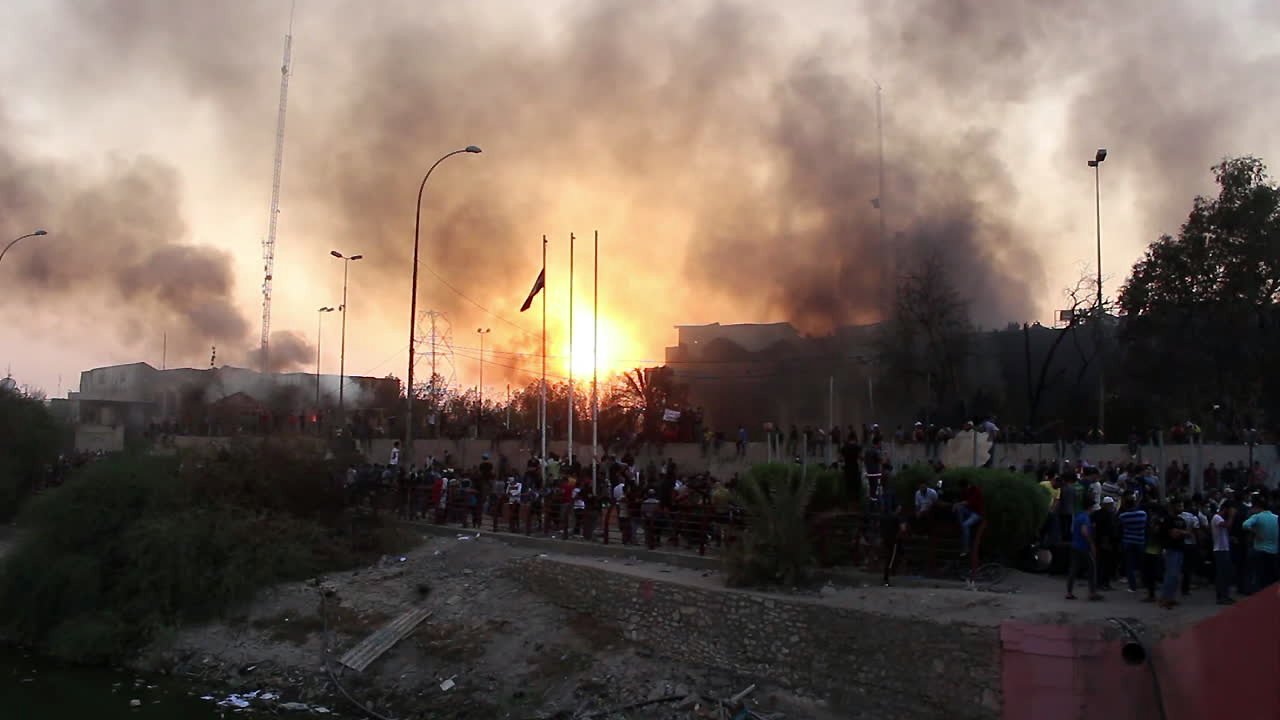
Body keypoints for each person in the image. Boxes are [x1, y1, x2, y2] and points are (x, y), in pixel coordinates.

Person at [1067, 502, 1103, 601]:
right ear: (1090, 508)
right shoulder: (1085, 518)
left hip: (1075, 545)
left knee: (1073, 570)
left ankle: (1069, 592)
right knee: (1092, 568)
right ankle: (1092, 593)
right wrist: (1091, 544)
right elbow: (1084, 532)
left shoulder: (1078, 516)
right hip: (1083, 547)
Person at [1242, 495, 1279, 592]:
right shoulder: (1276, 518)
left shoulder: (1257, 516)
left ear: (1258, 507)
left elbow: (1245, 525)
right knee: (1270, 576)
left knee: (1258, 575)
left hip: (1259, 550)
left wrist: (1255, 532)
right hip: (1274, 551)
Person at [1211, 501, 1236, 605]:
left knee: (1225, 573)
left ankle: (1225, 595)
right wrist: (1231, 516)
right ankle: (1221, 597)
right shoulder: (1217, 517)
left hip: (1224, 549)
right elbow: (1227, 525)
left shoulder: (1219, 518)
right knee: (1222, 574)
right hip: (1220, 550)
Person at [953, 479, 984, 557]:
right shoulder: (964, 491)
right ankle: (961, 527)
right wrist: (956, 505)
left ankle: (966, 549)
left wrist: (958, 504)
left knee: (966, 525)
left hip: (977, 514)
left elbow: (969, 502)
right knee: (959, 508)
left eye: (965, 489)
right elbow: (961, 501)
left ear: (967, 486)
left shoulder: (975, 490)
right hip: (970, 512)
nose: (964, 491)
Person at [882, 503, 909, 587]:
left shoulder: (886, 516)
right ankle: (886, 580)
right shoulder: (898, 518)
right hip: (894, 540)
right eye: (899, 508)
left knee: (890, 557)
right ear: (897, 509)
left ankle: (887, 577)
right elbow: (903, 529)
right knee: (891, 559)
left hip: (886, 539)